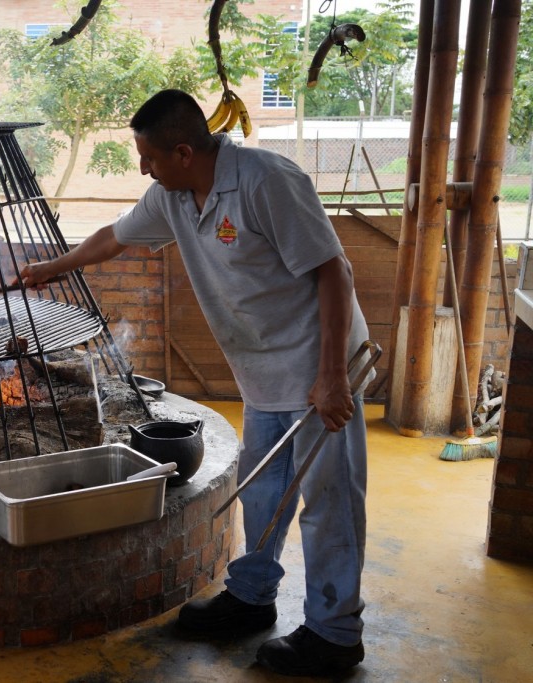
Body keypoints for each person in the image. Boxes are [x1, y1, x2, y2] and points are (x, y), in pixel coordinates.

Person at [20, 89, 371, 677]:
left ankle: (336, 635)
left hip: (319, 373)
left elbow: (333, 272)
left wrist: (332, 376)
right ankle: (252, 600)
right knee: (261, 493)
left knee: (329, 504)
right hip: (262, 377)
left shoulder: (266, 182)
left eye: (149, 158)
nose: (142, 169)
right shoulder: (174, 196)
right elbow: (115, 236)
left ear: (183, 151)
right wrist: (49, 269)